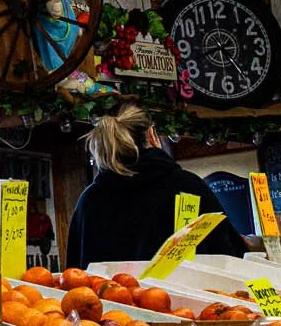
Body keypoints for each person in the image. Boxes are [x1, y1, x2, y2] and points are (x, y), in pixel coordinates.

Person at [64, 102, 249, 266]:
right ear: (152, 134)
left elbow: (75, 277)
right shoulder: (189, 187)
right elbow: (233, 258)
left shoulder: (89, 202)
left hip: (109, 303)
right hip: (185, 303)